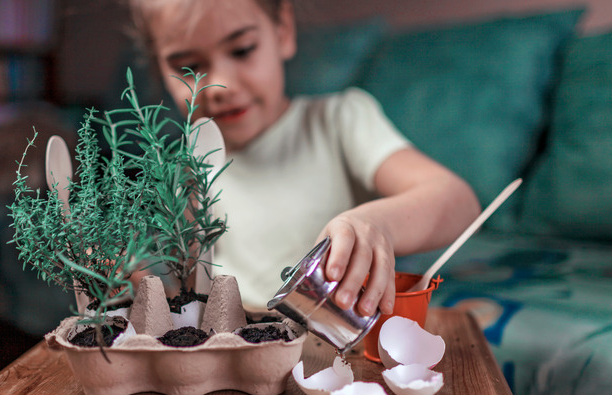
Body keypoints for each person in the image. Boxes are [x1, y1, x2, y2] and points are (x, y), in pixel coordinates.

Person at [124, 0, 481, 317]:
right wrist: (140, 285)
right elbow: (193, 295)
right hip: (235, 360)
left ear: (283, 31)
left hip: (333, 361)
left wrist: (377, 223)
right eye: (188, 66)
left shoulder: (339, 121)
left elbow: (458, 202)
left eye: (243, 49)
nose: (221, 86)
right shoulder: (187, 166)